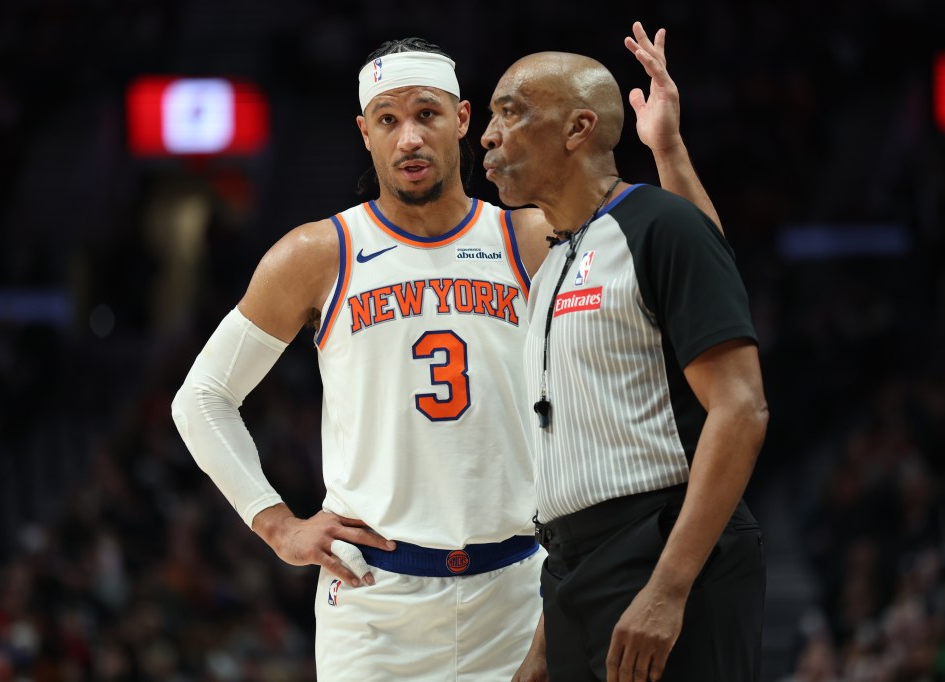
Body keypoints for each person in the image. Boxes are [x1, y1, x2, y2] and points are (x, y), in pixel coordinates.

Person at [172, 27, 719, 681]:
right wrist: (276, 524)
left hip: (520, 595)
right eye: (389, 119)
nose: (410, 138)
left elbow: (698, 266)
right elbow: (202, 397)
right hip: (375, 610)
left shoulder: (532, 234)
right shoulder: (318, 254)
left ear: (462, 120)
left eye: (427, 114)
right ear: (364, 130)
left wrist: (667, 148)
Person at [483, 24, 769, 682]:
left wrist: (669, 589)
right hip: (572, 567)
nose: (488, 136)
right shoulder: (556, 260)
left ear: (579, 128)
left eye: (510, 111)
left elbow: (742, 407)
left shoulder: (656, 225)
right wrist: (544, 642)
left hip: (665, 545)